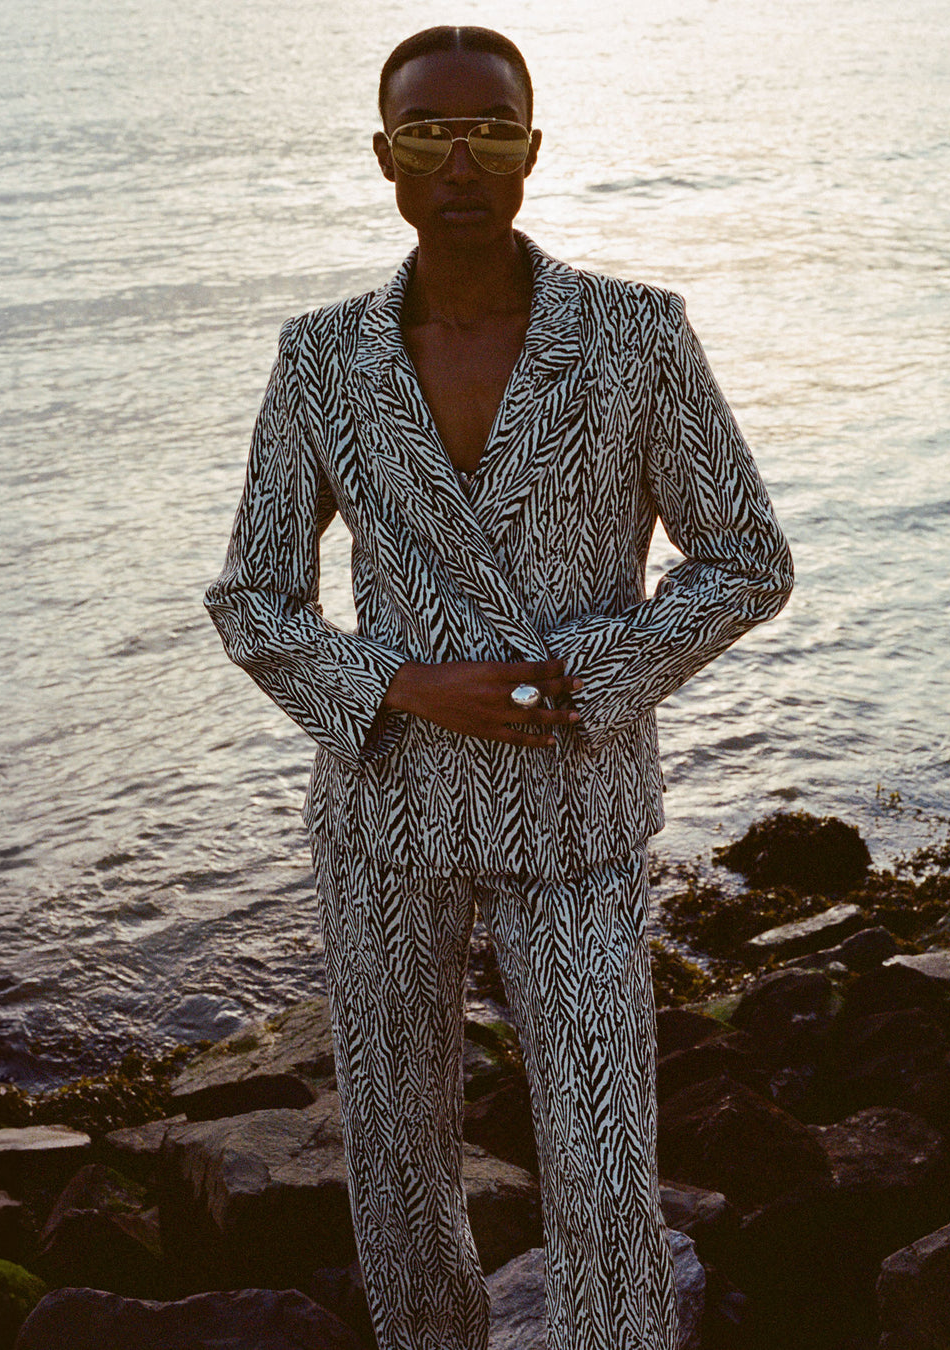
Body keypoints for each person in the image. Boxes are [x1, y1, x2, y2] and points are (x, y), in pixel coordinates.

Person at [205, 24, 793, 1350]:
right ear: (384, 158)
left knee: (599, 1167)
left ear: (532, 146)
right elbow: (253, 594)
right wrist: (407, 685)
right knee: (404, 1172)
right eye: (426, 131)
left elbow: (748, 558)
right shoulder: (320, 356)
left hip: (574, 808)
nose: (458, 156)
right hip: (387, 810)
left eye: (487, 128)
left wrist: (573, 682)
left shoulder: (636, 336)